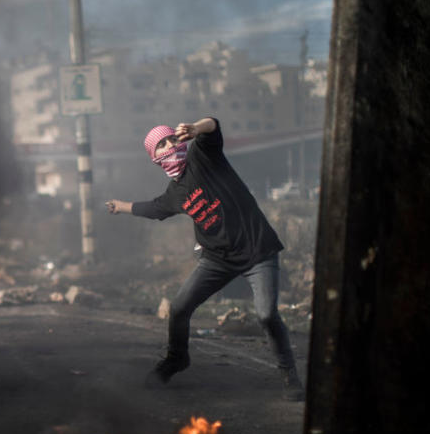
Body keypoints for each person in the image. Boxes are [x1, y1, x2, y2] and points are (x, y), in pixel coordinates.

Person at [105, 118, 304, 401]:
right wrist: (121, 207)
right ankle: (177, 358)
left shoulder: (203, 156)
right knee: (179, 309)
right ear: (155, 157)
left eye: (172, 139)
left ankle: (289, 375)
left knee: (267, 314)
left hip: (257, 251)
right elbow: (153, 208)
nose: (170, 145)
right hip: (217, 260)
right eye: (162, 144)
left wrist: (196, 128)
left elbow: (213, 125)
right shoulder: (175, 194)